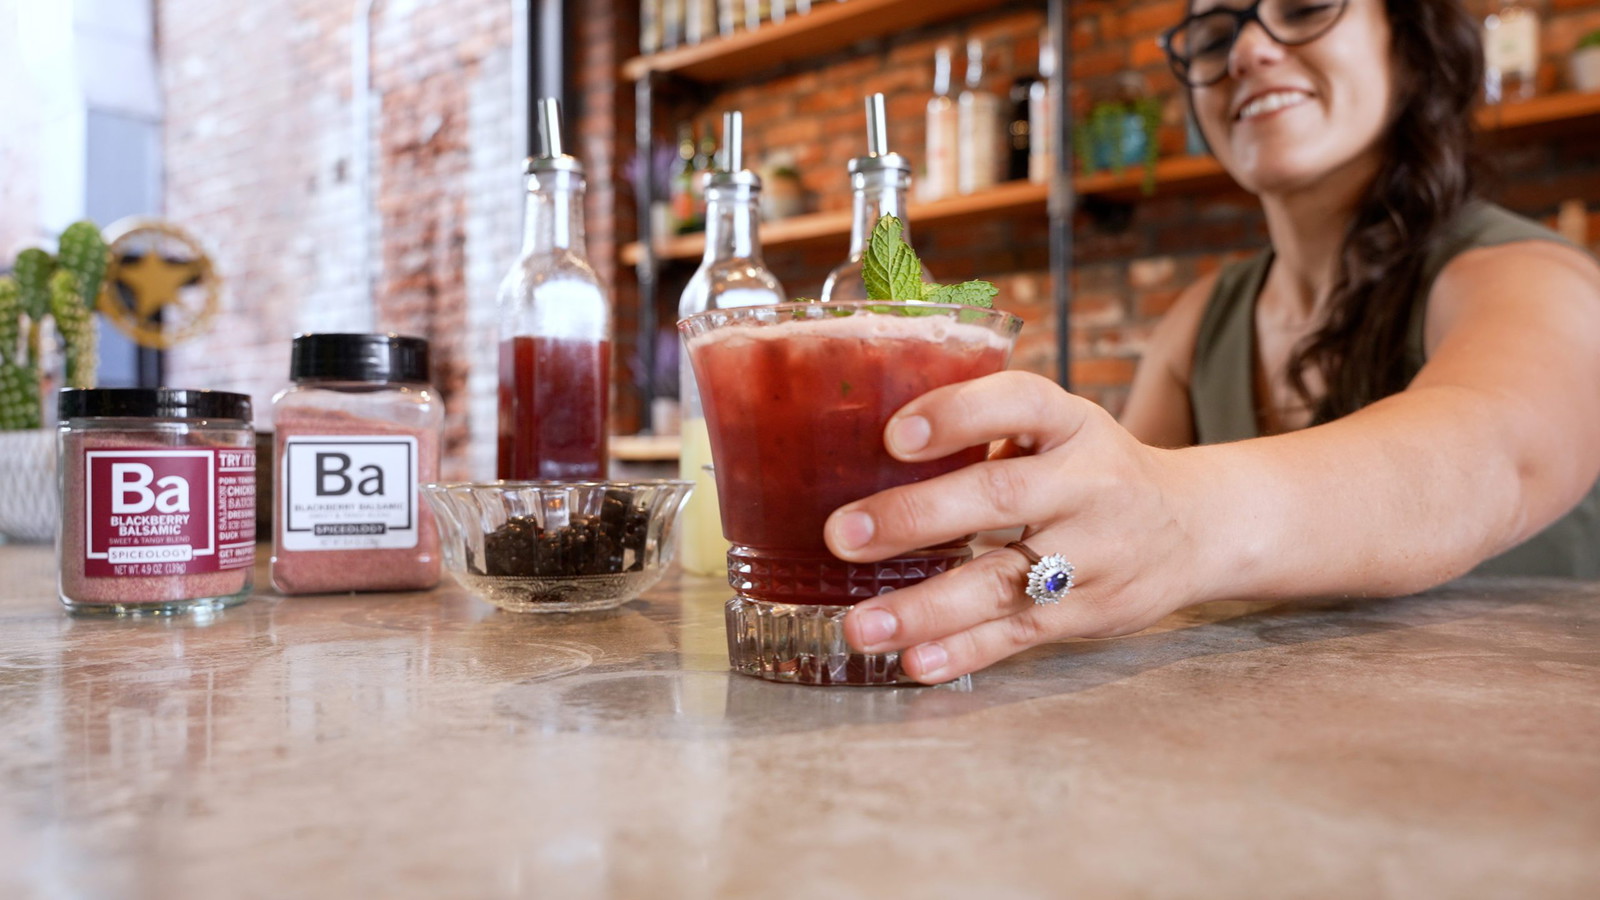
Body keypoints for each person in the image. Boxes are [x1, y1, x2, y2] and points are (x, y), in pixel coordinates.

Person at [823, 0, 1600, 684]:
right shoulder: (1202, 320)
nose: (1249, 49)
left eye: (1303, 7)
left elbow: (1494, 458)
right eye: (1215, 28)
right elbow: (1109, 555)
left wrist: (1178, 515)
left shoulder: (1530, 277)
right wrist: (1043, 532)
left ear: (1408, 43)